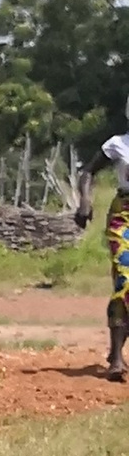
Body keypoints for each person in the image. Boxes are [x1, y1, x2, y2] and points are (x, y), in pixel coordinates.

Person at [102, 135, 129, 384]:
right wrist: (85, 202)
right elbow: (87, 171)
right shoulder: (118, 144)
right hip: (124, 216)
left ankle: (115, 349)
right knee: (125, 278)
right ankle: (117, 358)